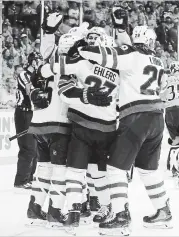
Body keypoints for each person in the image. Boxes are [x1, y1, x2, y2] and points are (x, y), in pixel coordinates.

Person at [78, 25, 172, 236]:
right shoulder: (158, 61)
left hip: (136, 116)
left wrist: (82, 49)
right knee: (148, 170)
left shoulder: (131, 54)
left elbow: (103, 56)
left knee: (115, 169)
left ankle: (120, 216)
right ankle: (163, 211)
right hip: (157, 117)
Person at [55, 31, 119, 233]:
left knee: (75, 171)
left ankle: (74, 213)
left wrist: (83, 93)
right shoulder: (120, 71)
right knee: (99, 174)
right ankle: (108, 208)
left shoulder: (80, 63)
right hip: (107, 128)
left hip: (82, 126)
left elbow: (64, 91)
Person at [25, 12, 73, 228]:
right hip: (58, 124)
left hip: (38, 124)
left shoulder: (45, 64)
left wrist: (48, 32)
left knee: (43, 169)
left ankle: (35, 209)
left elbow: (45, 53)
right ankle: (55, 212)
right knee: (60, 170)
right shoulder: (68, 64)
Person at [13, 52, 40, 189]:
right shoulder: (24, 74)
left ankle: (29, 178)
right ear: (32, 61)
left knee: (35, 149)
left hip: (32, 113)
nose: (40, 63)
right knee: (28, 148)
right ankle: (21, 180)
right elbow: (32, 91)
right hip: (23, 114)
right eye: (38, 60)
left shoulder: (37, 75)